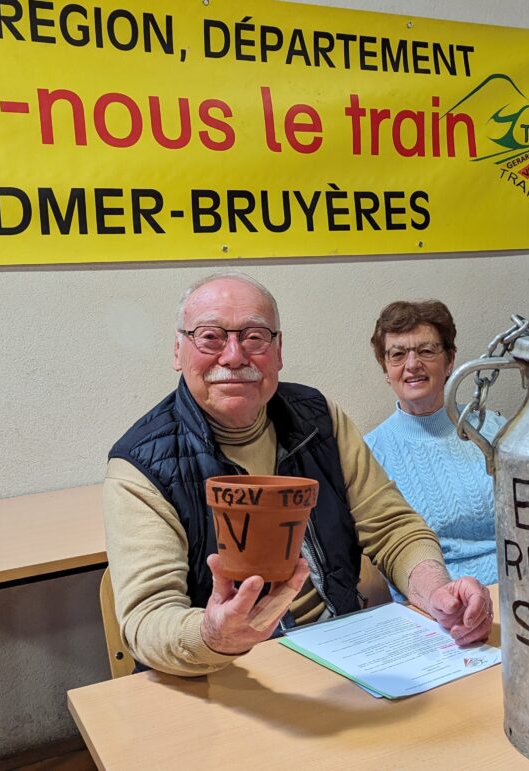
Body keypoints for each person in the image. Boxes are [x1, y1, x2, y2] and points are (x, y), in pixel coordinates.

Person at [103, 271, 493, 676]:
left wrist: (437, 593)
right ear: (178, 350)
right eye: (210, 337)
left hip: (343, 654)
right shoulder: (140, 466)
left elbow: (393, 529)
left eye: (254, 337)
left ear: (278, 351)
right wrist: (212, 635)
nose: (234, 356)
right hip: (221, 673)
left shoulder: (320, 418)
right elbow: (148, 618)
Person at [364, 300, 504, 597]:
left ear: (450, 361)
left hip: (517, 590)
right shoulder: (370, 454)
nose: (412, 364)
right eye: (397, 354)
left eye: (426, 351)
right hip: (434, 604)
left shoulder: (494, 429)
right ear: (385, 367)